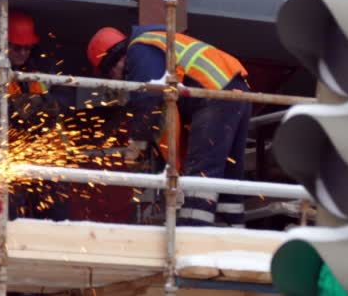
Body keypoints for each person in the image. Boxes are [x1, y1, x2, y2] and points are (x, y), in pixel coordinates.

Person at [87, 25, 252, 227]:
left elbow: (148, 100)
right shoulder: (156, 42)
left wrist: (137, 143)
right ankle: (234, 231)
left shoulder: (140, 49)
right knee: (227, 172)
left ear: (112, 61)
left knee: (201, 171)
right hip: (236, 90)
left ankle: (192, 233)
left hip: (213, 94)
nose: (114, 78)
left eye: (110, 73)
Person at [0, 11, 68, 220]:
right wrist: (22, 106)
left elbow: (61, 101)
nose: (22, 53)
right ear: (4, 45)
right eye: (17, 47)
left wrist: (40, 105)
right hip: (11, 154)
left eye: (27, 48)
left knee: (56, 213)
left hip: (46, 154)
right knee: (8, 211)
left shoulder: (42, 69)